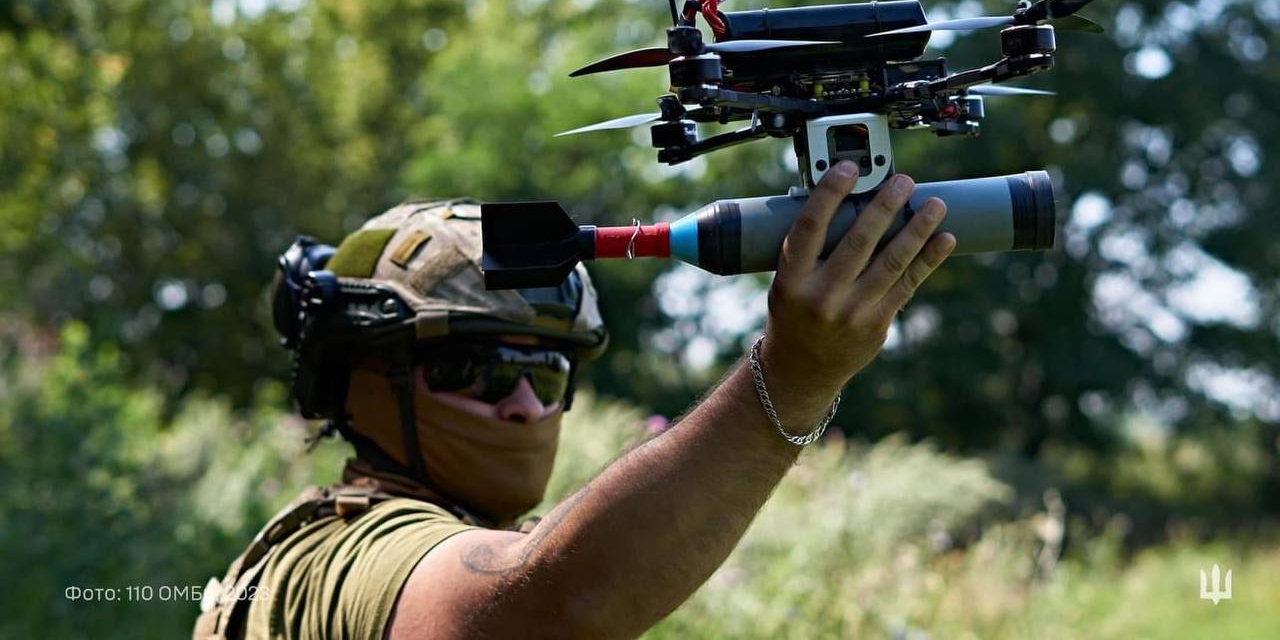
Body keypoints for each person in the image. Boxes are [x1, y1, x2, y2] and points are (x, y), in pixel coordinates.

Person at [194, 163, 954, 639]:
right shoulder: (337, 556)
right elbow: (548, 606)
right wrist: (791, 380)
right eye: (480, 369)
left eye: (549, 376)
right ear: (362, 377)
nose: (524, 404)